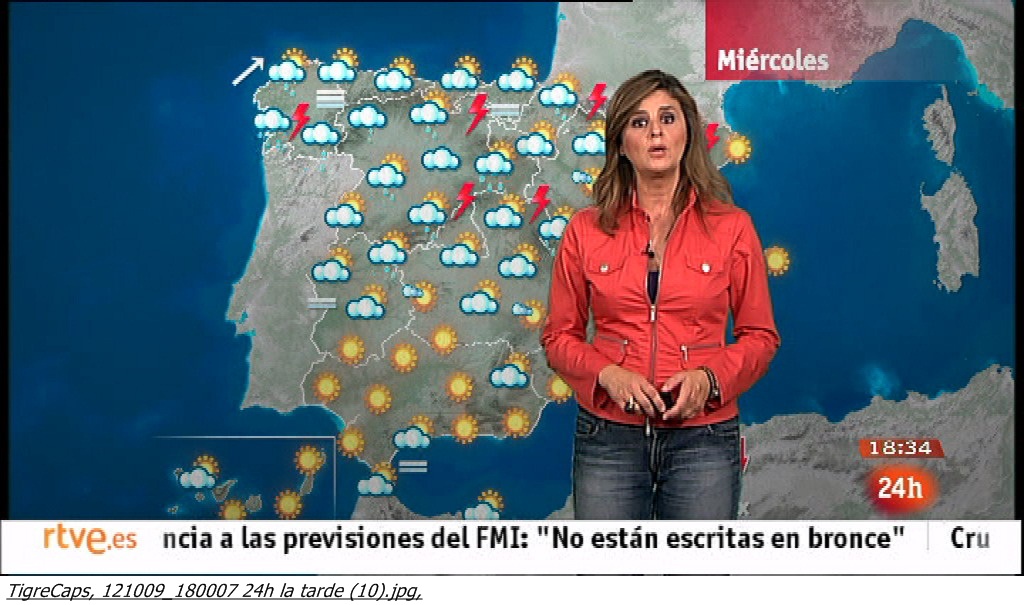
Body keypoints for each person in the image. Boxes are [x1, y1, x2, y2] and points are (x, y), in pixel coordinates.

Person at [541, 69, 780, 520]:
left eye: (668, 118)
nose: (655, 131)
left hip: (704, 440)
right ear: (620, 142)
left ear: (687, 132)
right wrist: (607, 375)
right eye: (639, 121)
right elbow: (558, 338)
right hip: (608, 438)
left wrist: (709, 379)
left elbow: (761, 337)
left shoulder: (733, 227)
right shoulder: (585, 230)